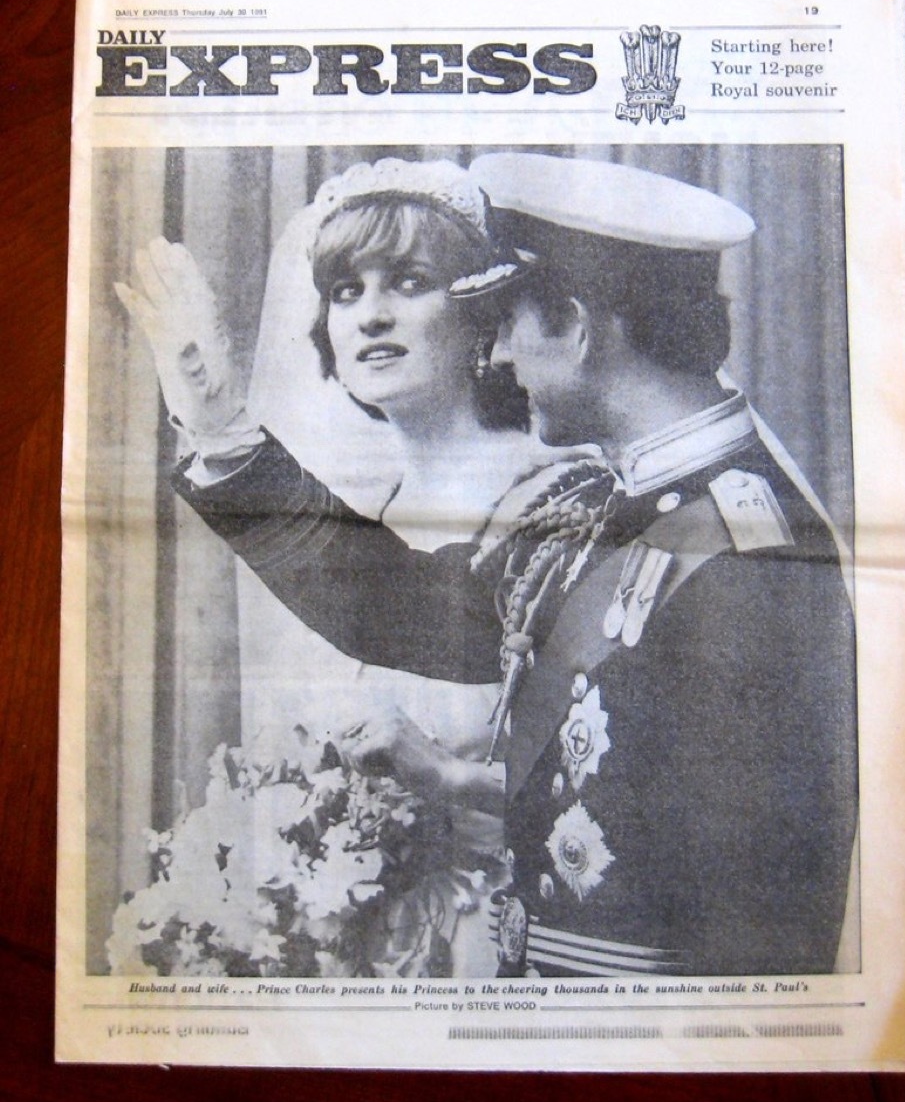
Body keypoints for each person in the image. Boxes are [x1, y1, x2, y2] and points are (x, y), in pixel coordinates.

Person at [136, 152, 857, 978]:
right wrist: (223, 427)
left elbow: (759, 925)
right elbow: (406, 605)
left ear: (579, 326)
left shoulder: (746, 551)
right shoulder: (608, 499)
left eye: (510, 320)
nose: (500, 356)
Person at [114, 156, 598, 977]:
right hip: (362, 930)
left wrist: (225, 430)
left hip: (503, 934)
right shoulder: (373, 501)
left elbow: (576, 762)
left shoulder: (555, 486)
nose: (371, 315)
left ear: (482, 320)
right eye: (347, 290)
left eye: (409, 282)